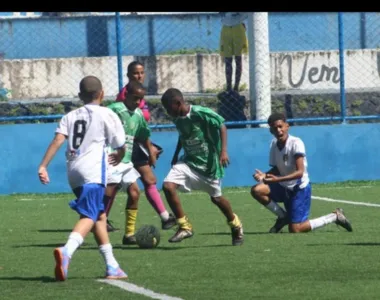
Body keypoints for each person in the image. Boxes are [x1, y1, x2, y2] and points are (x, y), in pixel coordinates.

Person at [37, 75, 128, 281]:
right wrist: (121, 155)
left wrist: (43, 165)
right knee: (89, 215)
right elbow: (120, 144)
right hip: (93, 171)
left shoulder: (70, 116)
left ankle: (112, 265)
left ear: (79, 96)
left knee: (99, 215)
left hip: (74, 172)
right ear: (102, 93)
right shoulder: (107, 113)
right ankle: (67, 251)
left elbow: (58, 139)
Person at [160, 88, 244, 246]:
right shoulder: (177, 118)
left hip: (209, 166)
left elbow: (221, 125)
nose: (167, 112)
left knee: (217, 199)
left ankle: (236, 224)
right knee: (168, 186)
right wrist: (176, 154)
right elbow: (183, 136)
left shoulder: (200, 113)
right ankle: (184, 226)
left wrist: (223, 151)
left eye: (168, 108)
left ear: (178, 103)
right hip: (188, 162)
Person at [250, 112, 353, 234]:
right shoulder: (274, 144)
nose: (278, 130)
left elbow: (299, 172)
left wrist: (276, 180)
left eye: (280, 126)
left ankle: (334, 217)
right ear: (270, 130)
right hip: (283, 186)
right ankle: (283, 217)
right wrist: (264, 175)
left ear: (287, 126)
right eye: (274, 128)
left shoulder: (296, 143)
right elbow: (278, 168)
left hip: (298, 188)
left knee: (296, 229)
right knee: (257, 190)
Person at [104, 61, 175, 235]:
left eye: (142, 72)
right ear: (128, 75)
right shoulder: (124, 98)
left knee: (143, 183)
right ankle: (101, 219)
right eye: (136, 73)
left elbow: (140, 126)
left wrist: (149, 146)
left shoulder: (139, 94)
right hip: (126, 145)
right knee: (124, 184)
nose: (140, 76)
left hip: (134, 143)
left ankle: (162, 219)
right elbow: (121, 125)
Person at [219, 12, 248, 92]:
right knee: (228, 60)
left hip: (238, 27)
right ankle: (228, 87)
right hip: (226, 28)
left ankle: (236, 87)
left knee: (238, 59)